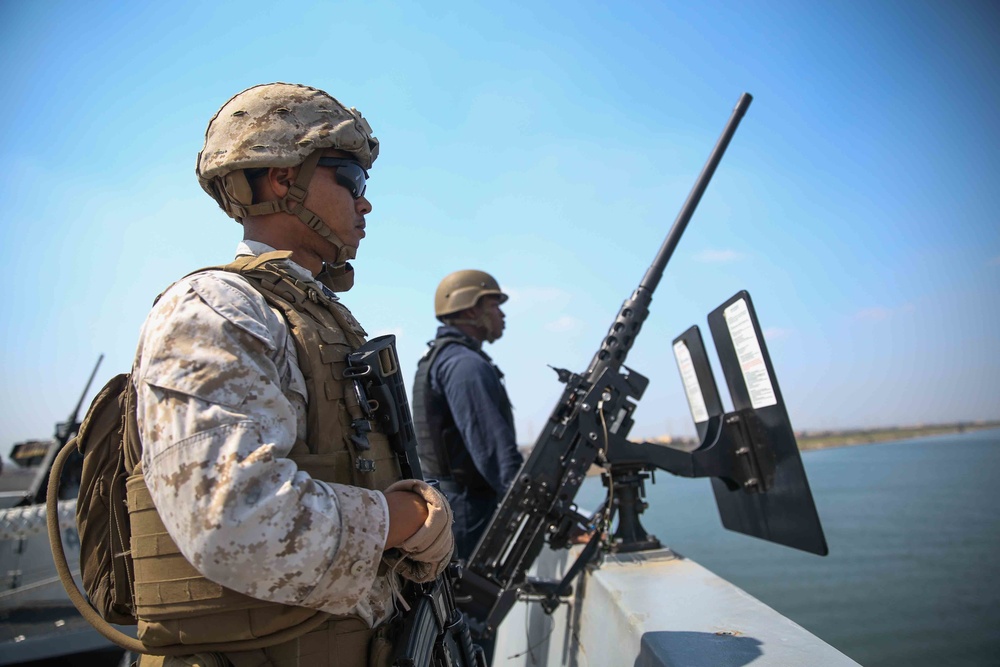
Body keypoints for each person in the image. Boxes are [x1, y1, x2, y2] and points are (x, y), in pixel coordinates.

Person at [128, 82, 454, 667]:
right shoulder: (214, 308)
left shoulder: (308, 310)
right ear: (282, 178)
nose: (365, 202)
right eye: (350, 180)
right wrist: (406, 519)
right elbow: (232, 517)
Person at [412, 270, 524, 563]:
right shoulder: (465, 365)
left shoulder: (444, 358)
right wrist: (532, 507)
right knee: (471, 604)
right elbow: (494, 452)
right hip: (467, 512)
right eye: (494, 305)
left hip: (452, 506)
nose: (502, 315)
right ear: (473, 309)